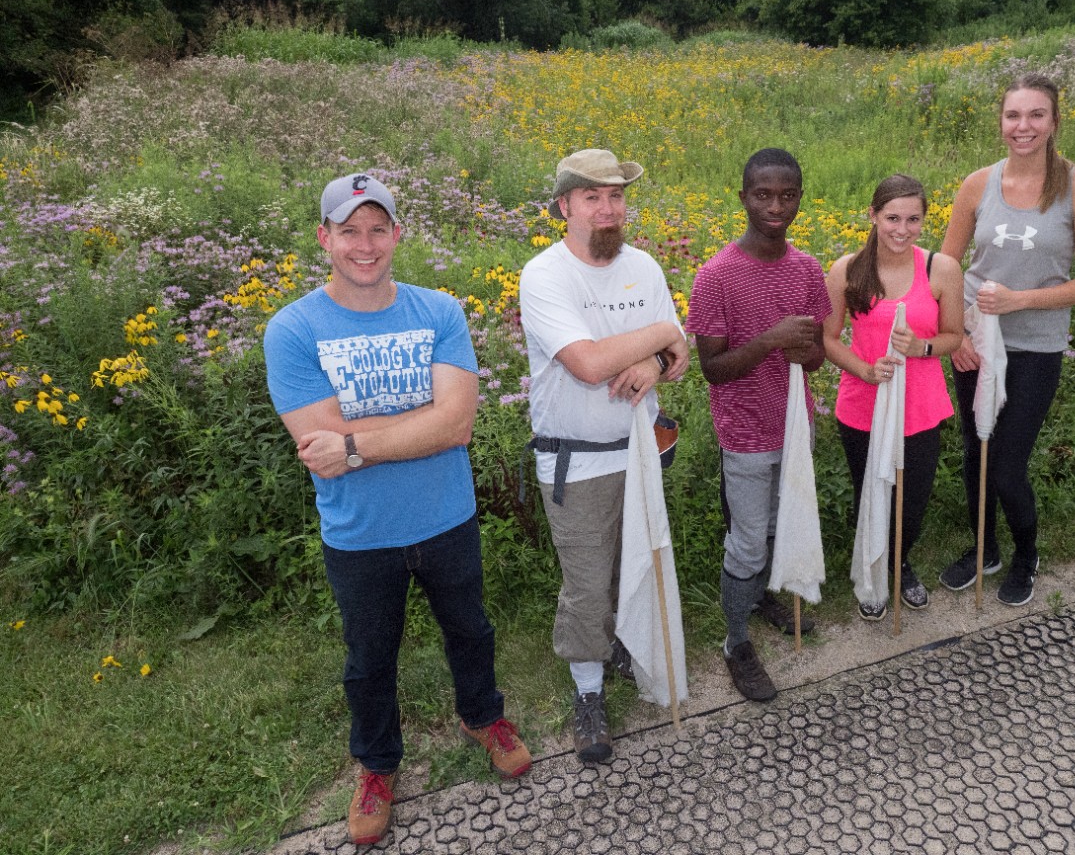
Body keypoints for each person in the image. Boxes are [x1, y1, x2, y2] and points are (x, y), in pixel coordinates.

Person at [263, 173, 531, 846]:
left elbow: (457, 426)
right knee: (369, 657)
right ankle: (378, 764)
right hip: (360, 533)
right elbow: (317, 444)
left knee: (470, 628)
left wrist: (356, 440)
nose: (365, 244)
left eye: (377, 228)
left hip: (447, 516)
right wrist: (418, 422)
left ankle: (483, 715)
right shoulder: (293, 329)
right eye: (349, 230)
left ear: (397, 235)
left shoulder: (438, 310)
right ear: (324, 238)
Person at [518, 148, 689, 764]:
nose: (608, 207)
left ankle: (623, 644)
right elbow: (587, 364)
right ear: (564, 206)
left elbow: (680, 356)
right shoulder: (544, 276)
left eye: (616, 195)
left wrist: (657, 358)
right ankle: (588, 694)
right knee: (588, 585)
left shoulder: (642, 267)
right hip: (578, 460)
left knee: (633, 563)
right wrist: (663, 338)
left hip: (642, 449)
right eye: (592, 196)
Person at [939, 73, 1075, 606]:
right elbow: (945, 268)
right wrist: (957, 331)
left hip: (1036, 345)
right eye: (1014, 115)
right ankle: (984, 548)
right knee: (977, 451)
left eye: (1036, 115)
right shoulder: (977, 184)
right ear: (1001, 123)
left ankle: (1025, 554)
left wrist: (1020, 300)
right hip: (975, 340)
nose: (1023, 126)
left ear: (1055, 122)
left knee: (1009, 464)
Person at [684, 148, 830, 703]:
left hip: (795, 426)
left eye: (787, 195)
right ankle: (735, 641)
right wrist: (771, 339)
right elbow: (714, 371)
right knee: (746, 542)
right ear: (742, 196)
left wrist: (806, 351)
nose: (776, 206)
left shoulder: (807, 269)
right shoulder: (717, 275)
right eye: (763, 195)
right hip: (744, 432)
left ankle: (767, 595)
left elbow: (815, 357)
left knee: (778, 522)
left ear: (799, 198)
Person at [822, 174, 964, 620]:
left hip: (921, 408)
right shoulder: (846, 270)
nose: (902, 229)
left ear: (924, 220)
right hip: (863, 406)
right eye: (892, 218)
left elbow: (955, 337)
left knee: (912, 503)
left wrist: (921, 347)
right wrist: (864, 368)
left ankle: (899, 565)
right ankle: (871, 573)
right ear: (873, 216)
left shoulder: (940, 269)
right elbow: (827, 339)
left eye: (913, 219)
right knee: (872, 496)